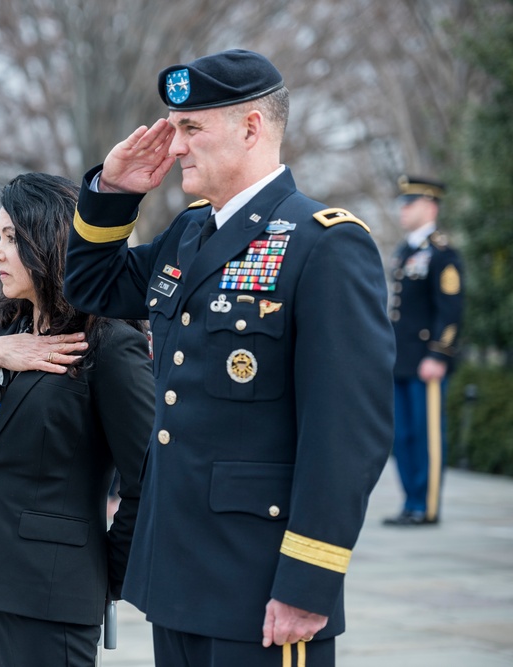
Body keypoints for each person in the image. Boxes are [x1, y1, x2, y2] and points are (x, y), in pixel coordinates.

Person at [63, 49, 395, 666]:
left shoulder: (325, 244)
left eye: (192, 128)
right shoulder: (191, 233)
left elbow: (347, 435)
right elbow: (92, 287)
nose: (177, 147)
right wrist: (112, 193)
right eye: (174, 127)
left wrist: (308, 582)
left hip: (261, 583)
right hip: (178, 573)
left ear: (251, 128)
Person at [0, 172, 154, 666]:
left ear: (49, 242)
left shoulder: (108, 341)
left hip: (50, 592)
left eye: (11, 238)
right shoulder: (6, 324)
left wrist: (103, 573)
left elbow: (148, 477)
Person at [383, 176, 464, 527]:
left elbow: (450, 308)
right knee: (403, 436)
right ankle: (410, 502)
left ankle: (426, 507)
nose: (403, 209)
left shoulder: (441, 252)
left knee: (427, 435)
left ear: (430, 206)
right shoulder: (406, 251)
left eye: (410, 203)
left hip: (426, 363)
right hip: (401, 361)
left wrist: (439, 355)